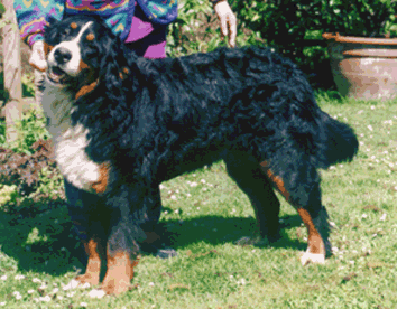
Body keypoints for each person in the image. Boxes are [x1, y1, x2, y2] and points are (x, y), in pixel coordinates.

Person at [12, 0, 237, 259]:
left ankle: (144, 235)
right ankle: (90, 248)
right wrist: (36, 36)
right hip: (88, 22)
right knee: (78, 143)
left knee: (145, 143)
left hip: (147, 23)